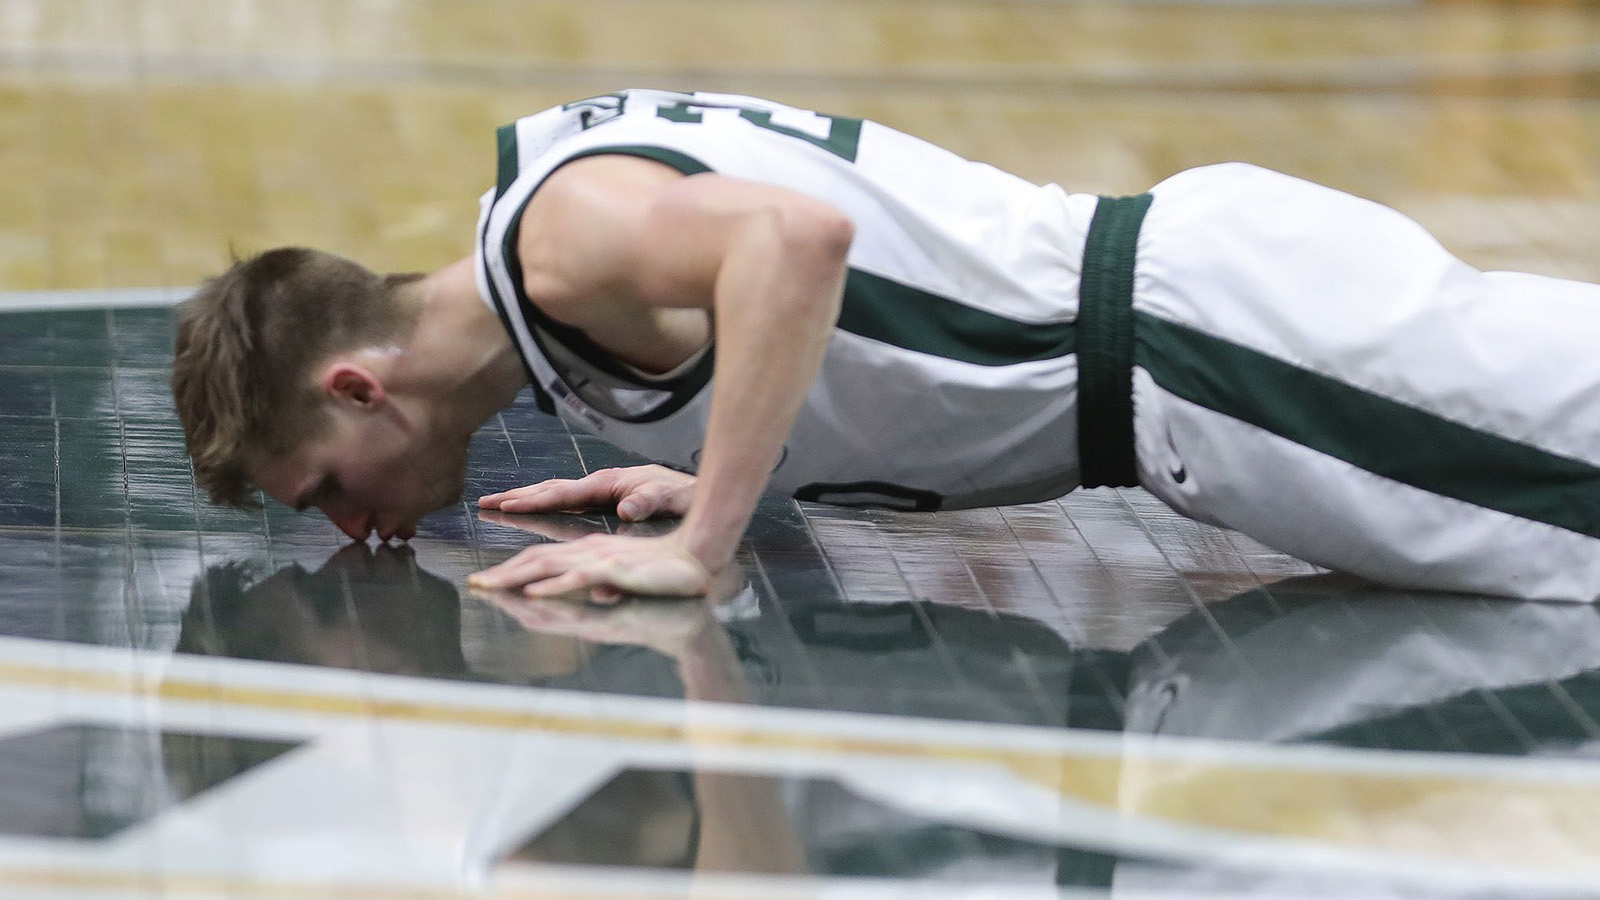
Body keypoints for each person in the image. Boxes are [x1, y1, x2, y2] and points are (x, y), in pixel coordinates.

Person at [170, 88, 1600, 603]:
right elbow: (831, 302)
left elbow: (793, 244)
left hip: (1216, 348)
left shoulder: (556, 238)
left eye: (325, 486)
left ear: (357, 386)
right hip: (1211, 344)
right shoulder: (549, 266)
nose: (348, 524)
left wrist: (706, 539)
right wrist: (725, 463)